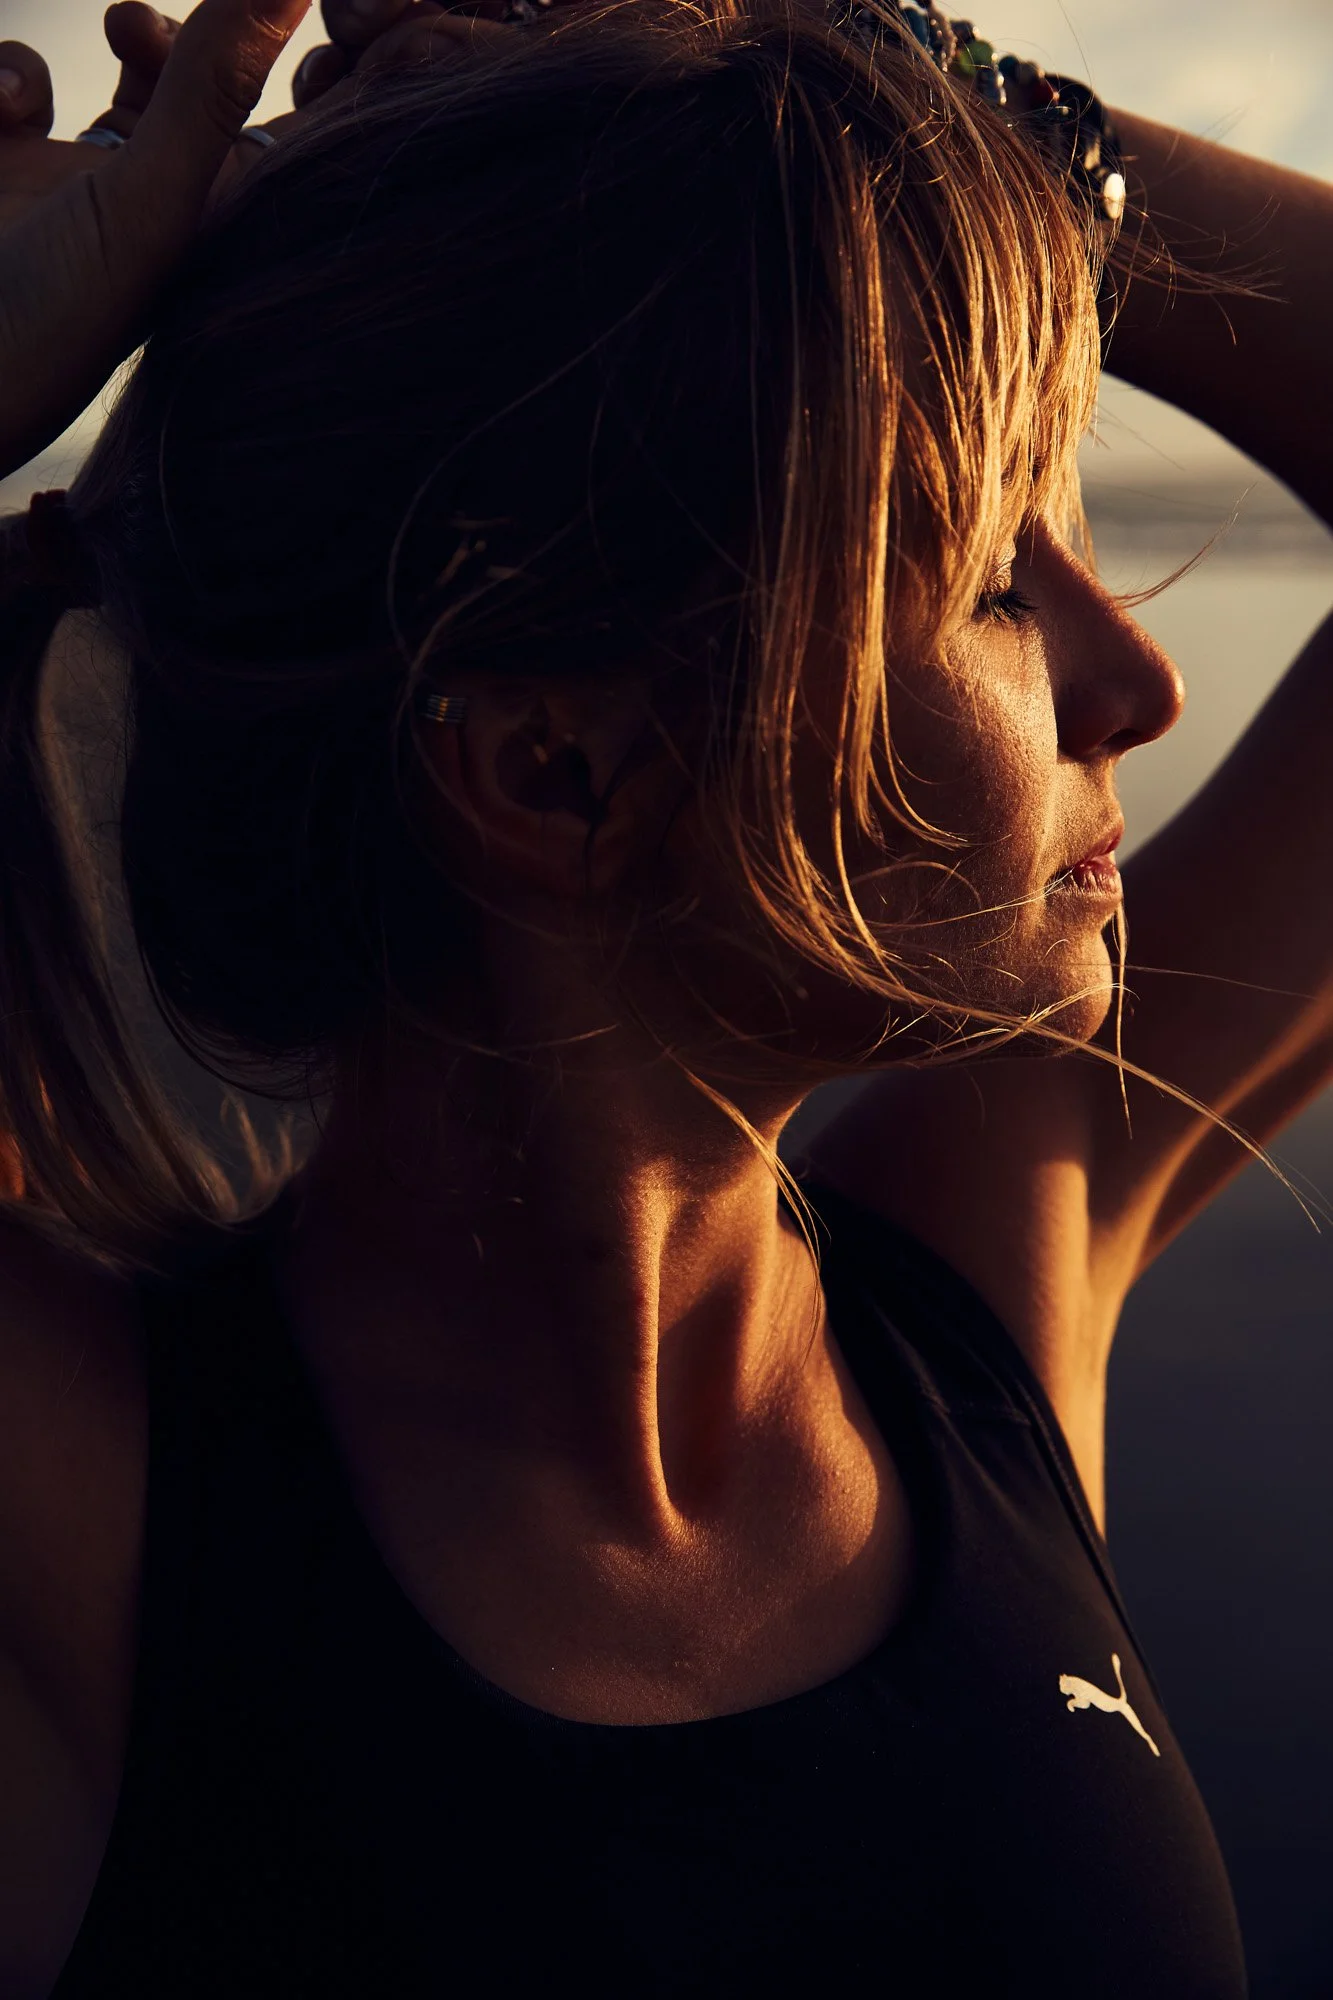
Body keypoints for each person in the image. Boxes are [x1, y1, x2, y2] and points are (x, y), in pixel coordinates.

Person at [0, 0, 1328, 1991]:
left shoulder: (982, 1288)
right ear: (561, 775)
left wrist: (881, 76)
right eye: (986, 571)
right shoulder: (87, 1502)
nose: (1136, 686)